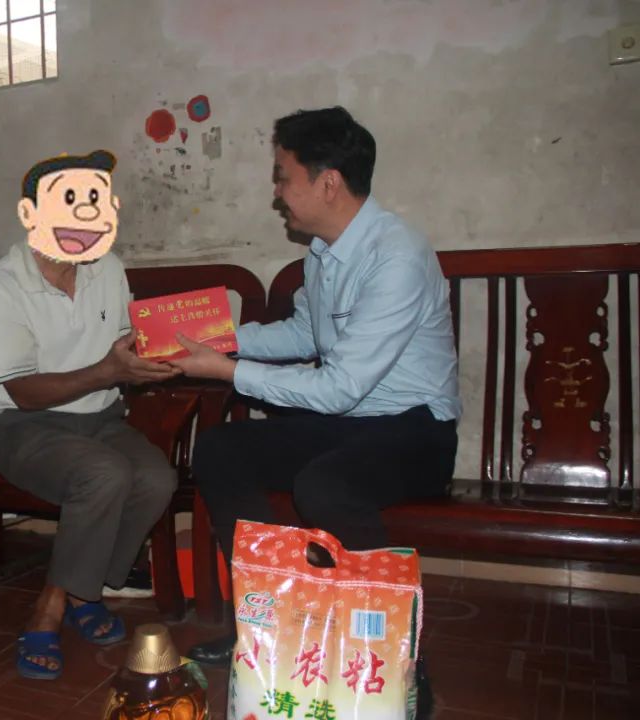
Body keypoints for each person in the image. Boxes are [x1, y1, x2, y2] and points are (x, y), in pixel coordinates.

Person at [171, 107, 460, 688]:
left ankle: (397, 659)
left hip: (417, 429)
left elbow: (339, 386)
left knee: (326, 486)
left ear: (328, 182)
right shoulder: (324, 253)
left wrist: (226, 371)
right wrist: (218, 340)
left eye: (283, 177)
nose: (277, 193)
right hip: (351, 422)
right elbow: (305, 335)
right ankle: (268, 622)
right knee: (223, 449)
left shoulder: (396, 256)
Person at [0, 150, 180, 681]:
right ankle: (52, 604)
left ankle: (84, 590)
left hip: (101, 417)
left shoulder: (108, 268)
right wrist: (110, 370)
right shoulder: (1, 287)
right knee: (103, 473)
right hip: (24, 426)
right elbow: (23, 393)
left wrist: (155, 358)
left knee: (157, 478)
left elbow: (122, 350)